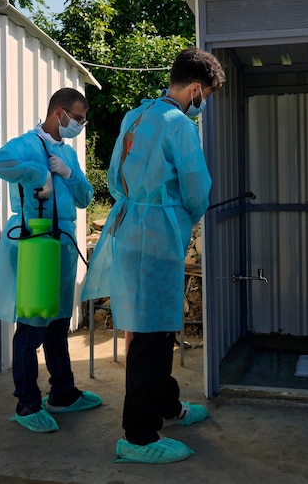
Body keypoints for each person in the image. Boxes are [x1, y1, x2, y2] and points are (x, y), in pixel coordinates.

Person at [82, 47, 225, 463]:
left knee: (156, 329)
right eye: (207, 96)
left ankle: (168, 406)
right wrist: (180, 214)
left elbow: (112, 176)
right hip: (157, 235)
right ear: (196, 89)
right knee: (150, 338)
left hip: (129, 225)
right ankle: (138, 436)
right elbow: (197, 189)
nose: (203, 104)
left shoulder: (135, 115)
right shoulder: (179, 125)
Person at [0, 87, 102, 433]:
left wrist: (68, 174)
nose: (79, 124)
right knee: (32, 325)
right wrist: (39, 174)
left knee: (59, 321)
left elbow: (86, 196)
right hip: (36, 242)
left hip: (62, 245)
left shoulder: (68, 154)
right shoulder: (26, 145)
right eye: (76, 118)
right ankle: (27, 403)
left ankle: (63, 393)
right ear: (59, 113)